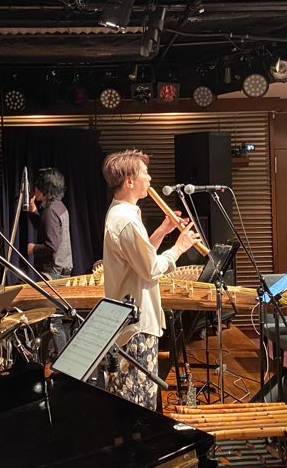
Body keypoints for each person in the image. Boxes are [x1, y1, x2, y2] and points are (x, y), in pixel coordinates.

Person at [101, 149, 201, 408]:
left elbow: (140, 258)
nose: (149, 178)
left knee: (135, 398)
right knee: (138, 402)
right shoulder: (126, 221)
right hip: (136, 325)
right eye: (144, 173)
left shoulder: (123, 213)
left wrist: (163, 231)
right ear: (129, 181)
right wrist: (179, 247)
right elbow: (151, 268)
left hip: (131, 321)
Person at [27, 167, 73, 279]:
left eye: (37, 187)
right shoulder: (59, 206)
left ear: (44, 188)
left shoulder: (50, 210)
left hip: (53, 271)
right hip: (62, 267)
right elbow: (48, 229)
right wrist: (34, 212)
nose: (34, 190)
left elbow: (51, 246)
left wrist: (33, 248)